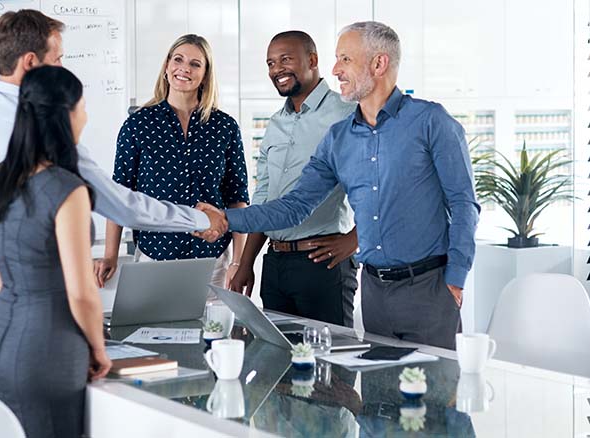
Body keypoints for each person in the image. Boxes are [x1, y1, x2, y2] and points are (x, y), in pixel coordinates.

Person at [0, 9, 226, 390]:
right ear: (31, 63)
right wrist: (201, 220)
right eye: (57, 59)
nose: (61, 67)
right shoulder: (44, 128)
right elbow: (123, 204)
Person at [199, 21, 479, 350]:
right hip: (375, 291)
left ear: (379, 63)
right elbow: (295, 207)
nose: (335, 69)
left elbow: (463, 204)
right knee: (379, 397)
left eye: (345, 59)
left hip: (429, 288)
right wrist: (226, 218)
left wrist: (456, 279)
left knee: (433, 395)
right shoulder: (338, 138)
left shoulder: (431, 122)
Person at [0, 65, 105, 438]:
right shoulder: (67, 189)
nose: (86, 115)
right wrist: (98, 348)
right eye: (82, 106)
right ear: (66, 115)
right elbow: (81, 292)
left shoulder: (0, 179)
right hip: (48, 350)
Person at [95, 34, 248, 289]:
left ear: (206, 74)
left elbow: (237, 196)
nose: (184, 68)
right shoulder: (138, 124)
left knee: (211, 329)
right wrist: (110, 254)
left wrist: (239, 262)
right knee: (153, 329)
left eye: (195, 64)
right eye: (178, 59)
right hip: (155, 256)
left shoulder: (225, 127)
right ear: (167, 67)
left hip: (212, 262)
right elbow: (120, 193)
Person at [228, 31, 358, 327]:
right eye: (271, 63)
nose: (277, 70)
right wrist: (246, 263)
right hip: (275, 264)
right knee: (279, 361)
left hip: (322, 263)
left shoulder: (347, 114)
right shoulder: (275, 123)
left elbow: (379, 184)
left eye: (285, 59)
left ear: (312, 60)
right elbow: (264, 199)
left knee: (331, 363)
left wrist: (354, 240)